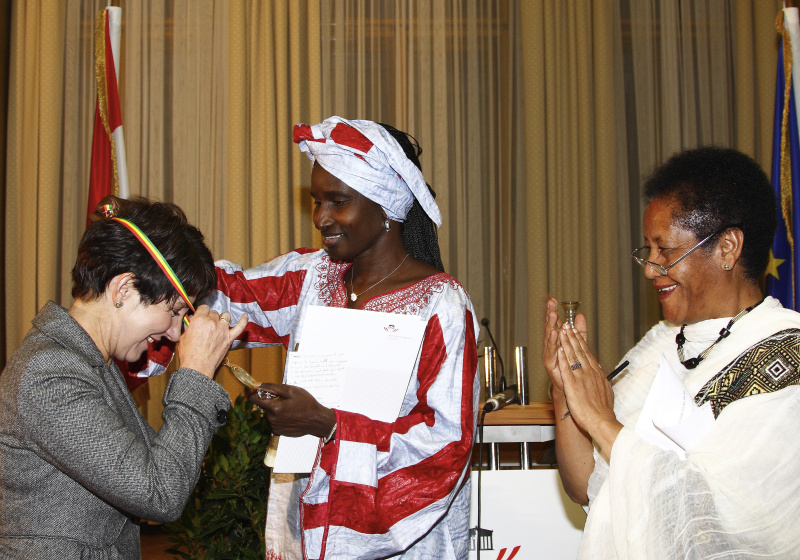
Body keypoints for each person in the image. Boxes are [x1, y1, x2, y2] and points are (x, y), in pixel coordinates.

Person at [205, 116, 480, 560]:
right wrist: (158, 250)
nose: (321, 218)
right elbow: (228, 298)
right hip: (310, 530)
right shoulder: (313, 278)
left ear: (386, 203)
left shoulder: (440, 306)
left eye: (337, 201)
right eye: (316, 201)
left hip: (406, 543)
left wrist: (328, 425)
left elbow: (447, 445)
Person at [543, 146, 800, 558]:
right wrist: (566, 394)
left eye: (665, 250)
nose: (649, 268)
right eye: (647, 250)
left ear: (728, 248)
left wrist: (602, 420)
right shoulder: (662, 343)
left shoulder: (788, 355)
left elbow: (714, 531)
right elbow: (586, 488)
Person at [0, 198, 247, 559]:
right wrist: (194, 373)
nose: (176, 333)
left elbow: (159, 466)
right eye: (175, 311)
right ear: (123, 290)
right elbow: (159, 493)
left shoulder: (89, 365)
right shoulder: (49, 372)